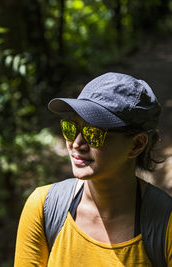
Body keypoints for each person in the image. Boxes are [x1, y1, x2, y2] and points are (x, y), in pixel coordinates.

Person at [14, 72, 172, 266]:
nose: (77, 143)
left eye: (94, 133)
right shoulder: (43, 208)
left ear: (136, 145)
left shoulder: (166, 225)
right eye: (71, 129)